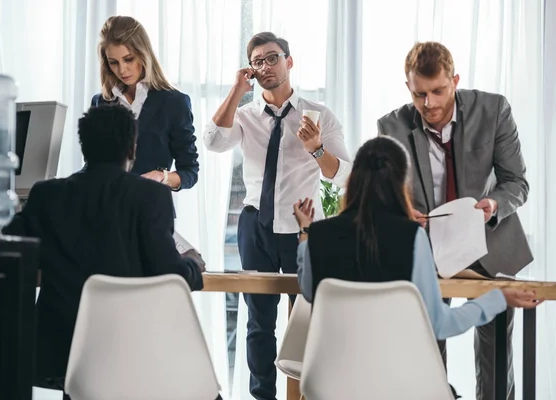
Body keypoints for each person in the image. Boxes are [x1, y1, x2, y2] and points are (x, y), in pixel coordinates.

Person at [293, 136, 542, 399]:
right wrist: (497, 298)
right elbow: (439, 324)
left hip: (331, 384)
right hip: (400, 386)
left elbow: (310, 291)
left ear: (353, 179)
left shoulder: (320, 235)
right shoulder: (411, 237)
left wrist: (306, 233)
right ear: (402, 184)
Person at [2, 105, 205, 400]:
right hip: (133, 351)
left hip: (64, 353)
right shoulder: (151, 195)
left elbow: (11, 244)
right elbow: (168, 274)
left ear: (83, 146)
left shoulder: (46, 195)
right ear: (132, 147)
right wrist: (193, 266)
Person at [376, 41, 533, 400]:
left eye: (438, 91)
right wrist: (403, 214)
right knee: (427, 341)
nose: (429, 103)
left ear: (455, 80)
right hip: (427, 247)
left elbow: (517, 183)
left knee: (496, 350)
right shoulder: (391, 126)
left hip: (489, 242)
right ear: (408, 88)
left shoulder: (493, 110)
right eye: (419, 94)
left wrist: (494, 203)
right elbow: (385, 195)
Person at [203, 32, 351, 400]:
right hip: (256, 227)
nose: (266, 66)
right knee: (258, 322)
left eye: (273, 58)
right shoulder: (246, 116)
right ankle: (262, 396)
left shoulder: (319, 115)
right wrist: (238, 90)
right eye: (258, 62)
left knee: (309, 319)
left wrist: (316, 149)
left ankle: (309, 394)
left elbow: (345, 174)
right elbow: (212, 141)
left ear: (289, 61)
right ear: (251, 70)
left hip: (303, 228)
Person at [92, 16, 199, 190]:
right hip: (105, 210)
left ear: (143, 54)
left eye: (128, 59)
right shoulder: (101, 102)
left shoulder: (174, 102)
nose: (122, 70)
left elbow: (190, 172)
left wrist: (161, 176)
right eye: (113, 63)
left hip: (150, 210)